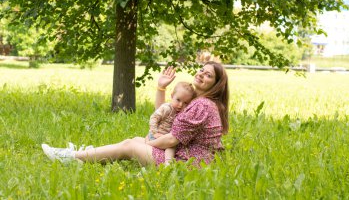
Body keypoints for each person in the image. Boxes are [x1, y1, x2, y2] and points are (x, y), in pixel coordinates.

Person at [42, 61, 229, 167]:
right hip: (187, 156)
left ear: (216, 84)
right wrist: (161, 87)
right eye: (202, 70)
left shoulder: (203, 105)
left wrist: (149, 143)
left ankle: (70, 157)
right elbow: (166, 114)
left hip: (187, 163)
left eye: (208, 75)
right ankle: (87, 155)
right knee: (136, 139)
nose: (202, 74)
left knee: (130, 145)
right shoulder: (200, 100)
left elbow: (172, 140)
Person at [146, 81, 196, 164]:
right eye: (178, 100)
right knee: (171, 146)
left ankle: (167, 162)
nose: (180, 105)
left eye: (185, 103)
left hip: (166, 137)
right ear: (172, 95)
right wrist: (154, 132)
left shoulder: (182, 113)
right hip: (157, 134)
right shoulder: (166, 108)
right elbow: (154, 118)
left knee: (171, 147)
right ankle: (166, 161)